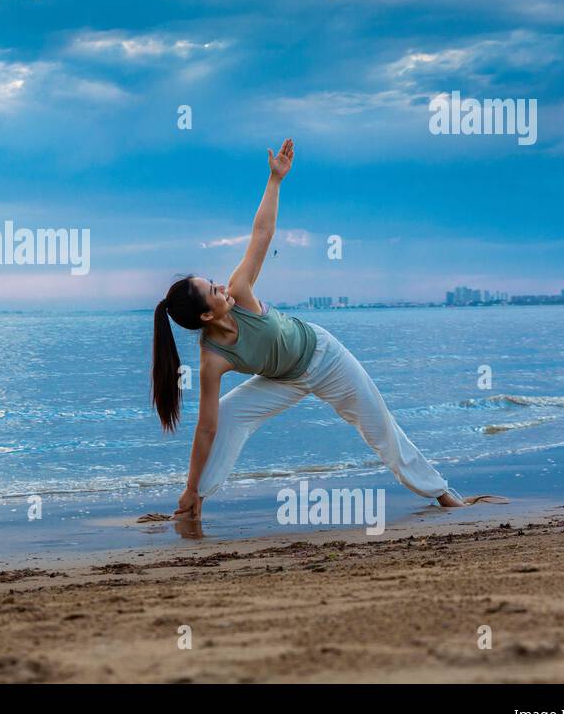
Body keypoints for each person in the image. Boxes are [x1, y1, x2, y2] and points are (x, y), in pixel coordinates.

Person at [150, 138, 466, 521]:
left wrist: (275, 180)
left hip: (324, 357)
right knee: (228, 415)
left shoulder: (241, 292)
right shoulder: (212, 359)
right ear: (204, 316)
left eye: (214, 281)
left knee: (378, 427)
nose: (220, 287)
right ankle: (195, 501)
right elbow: (206, 429)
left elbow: (261, 234)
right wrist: (189, 483)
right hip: (283, 380)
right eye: (212, 290)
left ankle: (441, 491)